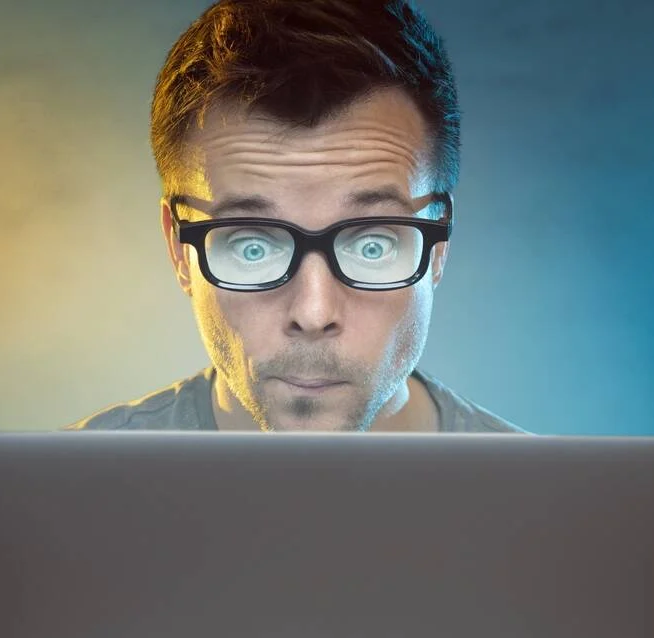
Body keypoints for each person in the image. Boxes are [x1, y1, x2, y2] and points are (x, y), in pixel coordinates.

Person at [67, 0, 526, 433]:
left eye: (373, 245)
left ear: (439, 247)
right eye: (253, 246)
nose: (313, 313)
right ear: (179, 250)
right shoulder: (61, 494)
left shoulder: (554, 506)